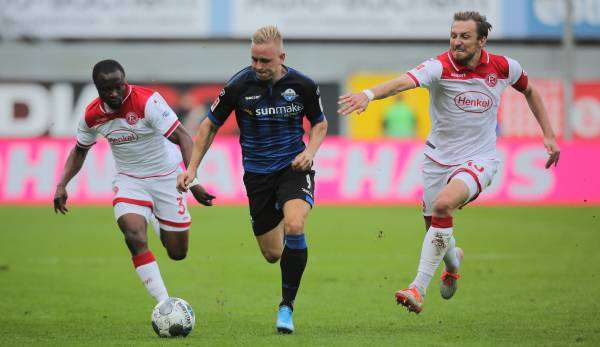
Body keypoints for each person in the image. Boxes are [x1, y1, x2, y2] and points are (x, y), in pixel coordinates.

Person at [338, 11, 560, 314]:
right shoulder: (438, 67)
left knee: (443, 206)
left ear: (482, 40)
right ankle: (453, 263)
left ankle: (417, 288)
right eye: (454, 35)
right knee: (434, 228)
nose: (457, 41)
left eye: (465, 36)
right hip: (436, 159)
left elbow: (530, 91)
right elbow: (402, 82)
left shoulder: (505, 67)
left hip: (479, 159)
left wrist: (548, 134)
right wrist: (368, 94)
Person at [176, 26, 328, 333]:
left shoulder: (303, 85)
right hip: (257, 176)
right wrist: (192, 168)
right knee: (273, 254)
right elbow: (208, 126)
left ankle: (286, 307)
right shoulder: (238, 85)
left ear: (281, 58)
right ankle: (292, 249)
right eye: (254, 59)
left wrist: (310, 152)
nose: (258, 66)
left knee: (296, 224)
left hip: (293, 169)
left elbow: (320, 124)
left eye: (265, 61)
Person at [53, 59, 215, 305]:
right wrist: (62, 184)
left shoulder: (146, 101)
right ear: (98, 88)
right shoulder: (92, 115)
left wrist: (193, 182)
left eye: (119, 86)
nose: (115, 93)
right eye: (108, 89)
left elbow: (182, 136)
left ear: (124, 80)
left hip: (167, 177)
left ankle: (154, 215)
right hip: (130, 180)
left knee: (177, 253)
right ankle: (163, 303)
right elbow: (79, 150)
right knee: (133, 234)